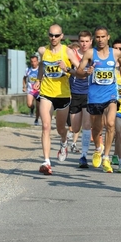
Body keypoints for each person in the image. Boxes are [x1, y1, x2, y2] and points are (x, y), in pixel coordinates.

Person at [76, 26, 121, 173]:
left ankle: (106, 157)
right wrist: (86, 72)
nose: (100, 40)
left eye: (103, 37)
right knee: (97, 128)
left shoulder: (116, 53)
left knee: (110, 124)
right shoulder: (90, 53)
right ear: (95, 39)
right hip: (94, 95)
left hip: (110, 94)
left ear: (108, 37)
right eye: (97, 37)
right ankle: (98, 148)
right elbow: (79, 71)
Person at [33, 24, 81, 175]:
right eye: (51, 35)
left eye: (56, 35)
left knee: (61, 129)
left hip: (63, 95)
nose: (53, 38)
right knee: (46, 126)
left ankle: (64, 140)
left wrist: (66, 68)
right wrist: (39, 80)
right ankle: (46, 161)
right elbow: (42, 65)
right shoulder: (43, 50)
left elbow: (79, 70)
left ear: (62, 36)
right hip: (46, 93)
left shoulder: (67, 51)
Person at [68, 30, 93, 168]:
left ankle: (83, 155)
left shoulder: (95, 56)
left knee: (87, 124)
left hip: (90, 93)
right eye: (82, 41)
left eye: (87, 41)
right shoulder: (73, 55)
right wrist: (69, 70)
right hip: (76, 93)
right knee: (75, 128)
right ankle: (69, 141)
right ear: (79, 42)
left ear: (91, 42)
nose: (84, 44)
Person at [22, 54, 40, 125]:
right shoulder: (28, 70)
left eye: (35, 61)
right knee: (29, 104)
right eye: (32, 61)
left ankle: (36, 119)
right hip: (30, 90)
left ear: (37, 61)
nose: (33, 63)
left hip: (39, 91)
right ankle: (32, 108)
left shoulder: (40, 70)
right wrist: (24, 86)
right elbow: (24, 78)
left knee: (39, 107)